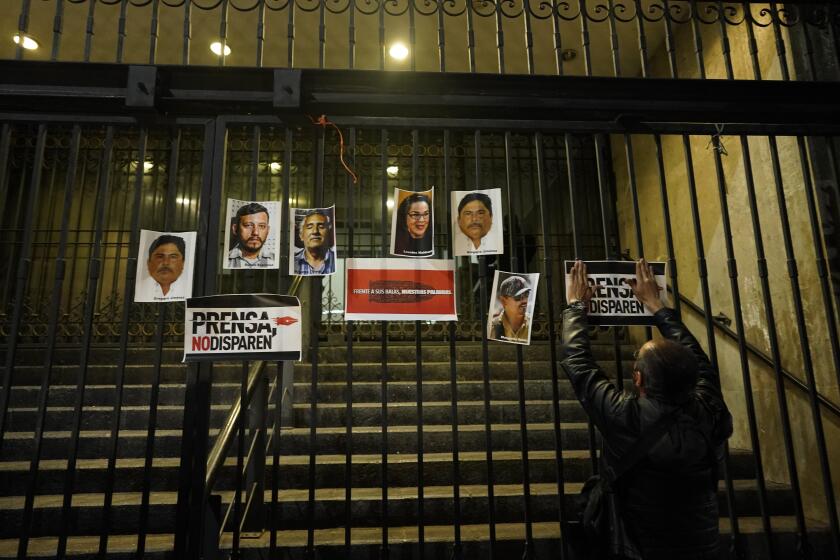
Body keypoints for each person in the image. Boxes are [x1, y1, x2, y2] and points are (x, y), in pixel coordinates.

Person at [563, 259, 733, 560]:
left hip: (638, 547)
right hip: (700, 544)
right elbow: (697, 358)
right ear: (693, 379)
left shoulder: (626, 417)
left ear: (638, 378)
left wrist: (576, 307)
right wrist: (658, 307)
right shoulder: (710, 412)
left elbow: (577, 363)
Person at [228, 202, 274, 268]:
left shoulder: (276, 260)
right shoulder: (225, 260)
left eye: (261, 226)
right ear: (235, 229)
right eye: (248, 225)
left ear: (268, 230)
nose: (255, 232)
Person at [488, 274, 532, 343]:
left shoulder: (535, 326)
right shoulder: (492, 328)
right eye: (518, 297)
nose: (525, 301)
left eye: (526, 294)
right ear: (503, 301)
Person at [143, 234, 187, 301]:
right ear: (149, 262)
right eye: (160, 256)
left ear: (183, 263)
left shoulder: (189, 289)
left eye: (173, 257)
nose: (165, 263)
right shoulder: (140, 287)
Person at [293, 209, 336, 275]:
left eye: (321, 226)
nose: (315, 231)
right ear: (301, 235)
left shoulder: (335, 261)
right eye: (309, 227)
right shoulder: (293, 262)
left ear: (329, 234)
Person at [392, 192, 433, 257]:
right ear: (404, 217)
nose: (421, 220)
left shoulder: (435, 242)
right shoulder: (397, 245)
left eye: (426, 214)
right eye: (415, 214)